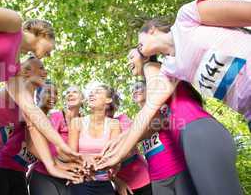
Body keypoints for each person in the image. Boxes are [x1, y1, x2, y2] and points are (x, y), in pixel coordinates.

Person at [98, 57, 243, 194]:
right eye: (132, 90)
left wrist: (120, 149)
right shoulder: (138, 118)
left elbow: (156, 122)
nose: (135, 91)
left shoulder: (162, 97)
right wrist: (119, 143)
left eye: (139, 87)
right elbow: (143, 132)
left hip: (177, 167)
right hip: (156, 176)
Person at [0, 7, 77, 164]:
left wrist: (59, 144)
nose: (50, 54)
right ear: (45, 34)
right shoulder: (12, 22)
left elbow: (31, 109)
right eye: (53, 46)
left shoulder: (14, 70)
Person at [0, 57, 80, 195]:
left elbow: (33, 144)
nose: (45, 72)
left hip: (4, 163)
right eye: (41, 68)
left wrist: (58, 165)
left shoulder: (33, 111)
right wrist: (60, 155)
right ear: (25, 71)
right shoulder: (19, 91)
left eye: (56, 93)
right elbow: (32, 118)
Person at [133, 0, 251, 130]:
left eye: (139, 40)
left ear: (151, 30)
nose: (137, 46)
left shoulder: (186, 17)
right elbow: (150, 106)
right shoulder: (169, 70)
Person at [0, 81, 58, 195]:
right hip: (0, 168)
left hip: (20, 172)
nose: (52, 96)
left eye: (55, 93)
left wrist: (32, 171)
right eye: (48, 92)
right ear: (37, 95)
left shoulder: (50, 124)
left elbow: (40, 150)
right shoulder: (27, 110)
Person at [29, 85, 84, 195]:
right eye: (68, 93)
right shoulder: (56, 117)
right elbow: (46, 145)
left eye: (74, 92)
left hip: (70, 178)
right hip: (45, 175)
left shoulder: (85, 121)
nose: (70, 94)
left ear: (83, 99)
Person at [69, 84, 121, 195]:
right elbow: (71, 154)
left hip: (104, 183)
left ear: (108, 100)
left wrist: (91, 160)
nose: (92, 94)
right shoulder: (76, 122)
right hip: (80, 181)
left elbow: (113, 155)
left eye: (97, 92)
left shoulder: (114, 124)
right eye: (91, 92)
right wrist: (84, 157)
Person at [106, 89, 152, 195]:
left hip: (143, 179)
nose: (109, 111)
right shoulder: (95, 129)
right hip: (122, 186)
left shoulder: (123, 119)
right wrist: (116, 181)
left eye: (112, 106)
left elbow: (129, 150)